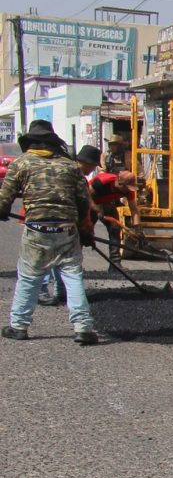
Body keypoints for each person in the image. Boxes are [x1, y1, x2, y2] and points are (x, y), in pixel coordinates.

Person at [0, 120, 98, 345]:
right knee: (73, 276)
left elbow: (5, 198)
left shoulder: (21, 164)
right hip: (66, 228)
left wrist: (2, 211)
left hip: (37, 230)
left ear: (30, 143)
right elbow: (84, 202)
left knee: (28, 277)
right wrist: (83, 228)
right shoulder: (70, 166)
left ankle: (19, 326)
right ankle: (83, 327)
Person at [77, 145, 140, 265]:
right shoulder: (102, 181)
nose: (127, 191)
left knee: (115, 228)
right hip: (91, 203)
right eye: (126, 188)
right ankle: (76, 262)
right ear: (119, 183)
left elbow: (134, 210)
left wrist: (138, 228)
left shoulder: (128, 190)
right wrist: (96, 209)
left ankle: (115, 262)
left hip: (106, 204)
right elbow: (86, 196)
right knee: (84, 232)